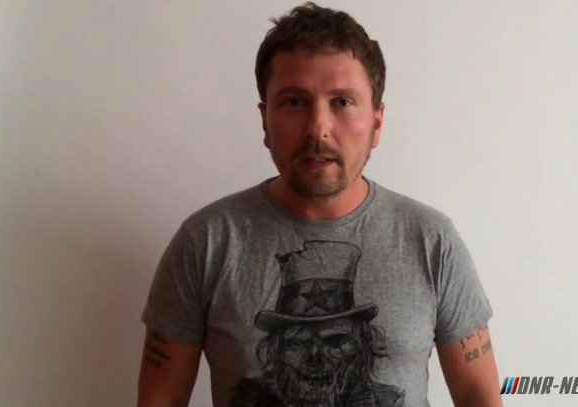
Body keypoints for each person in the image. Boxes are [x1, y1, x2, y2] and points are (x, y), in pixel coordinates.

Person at [137, 2, 502, 407]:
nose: (318, 129)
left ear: (376, 122)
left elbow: (478, 395)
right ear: (265, 121)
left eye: (342, 102)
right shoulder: (205, 243)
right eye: (295, 102)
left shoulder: (432, 241)